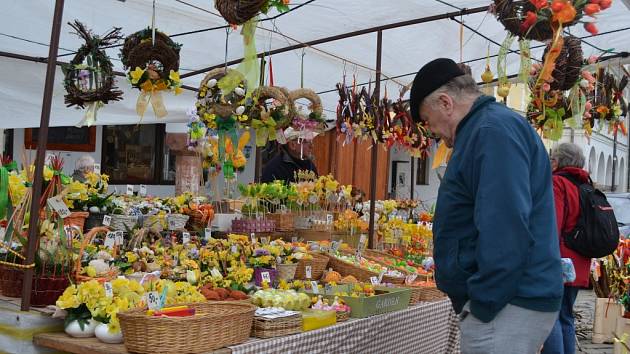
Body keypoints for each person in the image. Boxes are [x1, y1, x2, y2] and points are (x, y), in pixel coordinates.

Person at [409, 58, 563, 353]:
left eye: (429, 122)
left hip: (506, 305)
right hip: (506, 303)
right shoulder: (486, 128)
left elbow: (505, 226)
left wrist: (483, 302)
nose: (435, 133)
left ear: (445, 103)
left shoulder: (491, 131)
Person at [542, 143, 592, 354]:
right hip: (580, 263)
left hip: (560, 261)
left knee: (550, 315)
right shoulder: (586, 184)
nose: (551, 162)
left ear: (559, 161)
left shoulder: (558, 183)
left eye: (552, 158)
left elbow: (552, 224)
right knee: (566, 315)